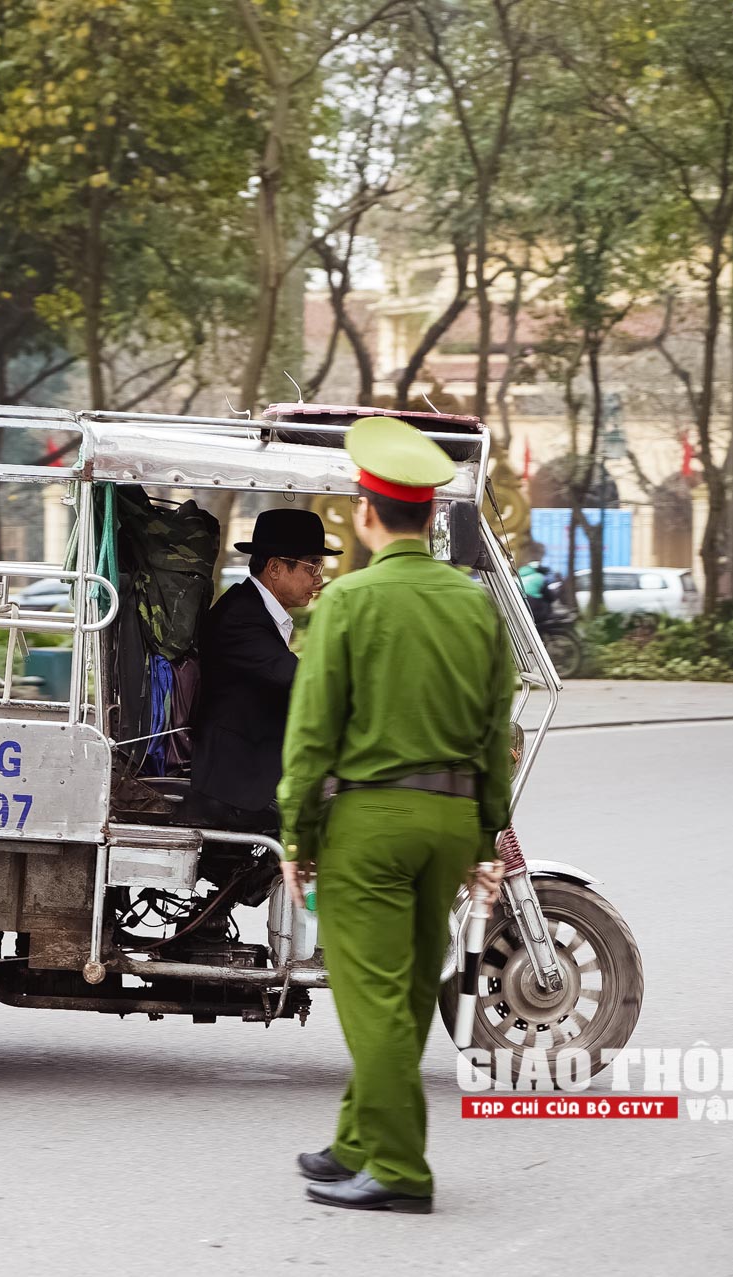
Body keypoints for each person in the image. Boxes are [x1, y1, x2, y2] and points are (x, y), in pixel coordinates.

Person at [276, 416, 512, 1214]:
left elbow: (312, 734)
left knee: (372, 994)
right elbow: (493, 730)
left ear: (365, 515)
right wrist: (487, 833)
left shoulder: (348, 601)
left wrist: (295, 833)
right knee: (407, 989)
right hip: (449, 823)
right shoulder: (475, 604)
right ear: (431, 516)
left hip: (370, 826)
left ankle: (402, 1168)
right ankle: (357, 1141)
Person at [184, 508, 337, 833]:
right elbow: (299, 682)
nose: (318, 580)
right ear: (276, 567)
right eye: (312, 566)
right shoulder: (241, 617)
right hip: (237, 779)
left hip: (256, 758)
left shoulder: (254, 610)